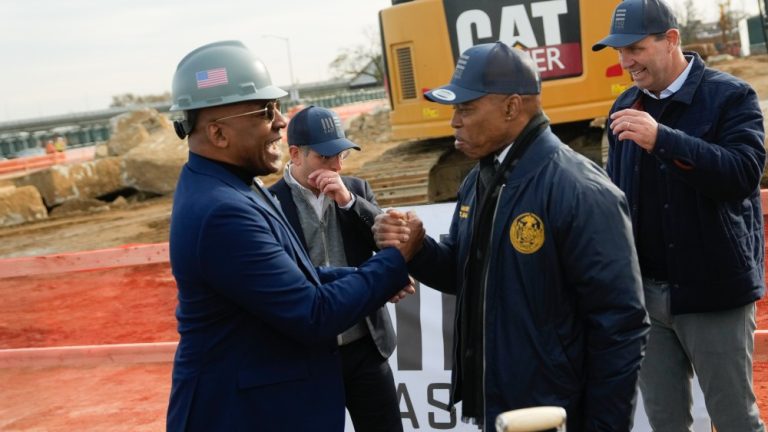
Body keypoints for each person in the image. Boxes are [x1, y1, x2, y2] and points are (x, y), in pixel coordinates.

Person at [373, 41, 649, 431]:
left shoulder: (578, 188)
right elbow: (462, 271)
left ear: (511, 107)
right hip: (500, 405)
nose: (454, 121)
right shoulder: (480, 179)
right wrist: (417, 249)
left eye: (465, 109)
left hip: (555, 411)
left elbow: (621, 325)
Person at [165, 40, 419, 431]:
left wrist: (369, 279)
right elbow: (312, 312)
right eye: (266, 111)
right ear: (217, 133)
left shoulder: (237, 188)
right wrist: (393, 261)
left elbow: (301, 276)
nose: (281, 123)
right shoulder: (223, 212)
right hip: (243, 416)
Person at [592, 0, 766, 430]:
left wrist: (663, 140)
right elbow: (619, 200)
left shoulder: (731, 95)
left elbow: (741, 175)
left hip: (714, 293)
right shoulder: (624, 106)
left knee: (734, 419)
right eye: (618, 51)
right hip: (648, 300)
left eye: (634, 48)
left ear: (671, 40)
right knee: (665, 421)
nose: (624, 61)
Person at [269, 105, 402, 432]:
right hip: (307, 354)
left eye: (341, 155)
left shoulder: (356, 190)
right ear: (296, 154)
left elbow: (388, 244)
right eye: (325, 158)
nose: (336, 166)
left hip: (366, 345)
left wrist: (349, 203)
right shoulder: (269, 203)